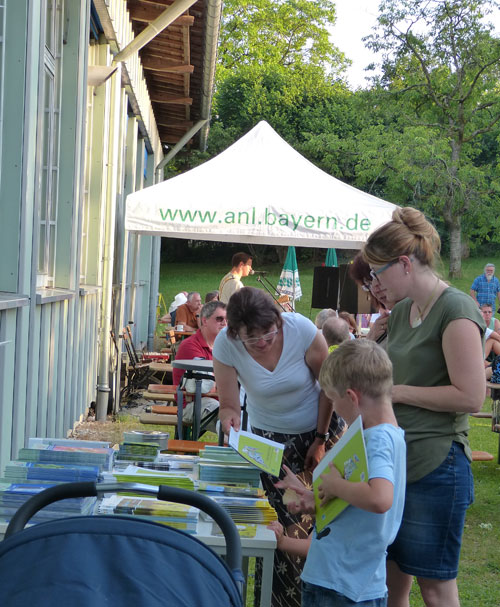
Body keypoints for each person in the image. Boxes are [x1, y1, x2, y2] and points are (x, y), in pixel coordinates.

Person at [362, 207, 485, 607]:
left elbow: (471, 397)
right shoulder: (400, 313)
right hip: (395, 463)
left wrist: (397, 393)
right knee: (391, 581)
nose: (375, 284)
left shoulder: (456, 310)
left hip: (438, 466)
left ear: (403, 264)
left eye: (377, 273)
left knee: (434, 588)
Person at [213, 286, 345, 607]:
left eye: (268, 333)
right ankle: (279, 601)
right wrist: (230, 422)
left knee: (329, 519)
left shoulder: (301, 329)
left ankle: (325, 597)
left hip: (320, 434)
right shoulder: (225, 345)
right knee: (287, 526)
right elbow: (230, 404)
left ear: (278, 320)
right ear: (234, 332)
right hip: (273, 446)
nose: (261, 342)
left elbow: (328, 387)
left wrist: (319, 438)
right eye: (251, 338)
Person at [269, 339, 406, 607]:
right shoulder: (387, 435)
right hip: (350, 580)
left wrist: (334, 486)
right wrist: (313, 496)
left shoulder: (376, 440)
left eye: (333, 400)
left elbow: (379, 499)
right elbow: (359, 506)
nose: (335, 410)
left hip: (341, 584)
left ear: (352, 397)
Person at [172, 301, 227, 433]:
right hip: (192, 405)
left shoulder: (224, 346)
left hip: (216, 402)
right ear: (205, 321)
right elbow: (207, 385)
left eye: (226, 319)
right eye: (219, 319)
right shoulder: (190, 346)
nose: (224, 323)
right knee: (228, 420)